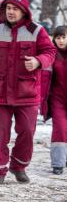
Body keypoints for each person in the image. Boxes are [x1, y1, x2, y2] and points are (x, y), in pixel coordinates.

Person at [0, 0, 56, 186]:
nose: (10, 12)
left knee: (27, 131)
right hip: (1, 92)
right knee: (0, 134)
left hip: (27, 91)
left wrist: (37, 61)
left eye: (15, 9)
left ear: (23, 11)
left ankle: (18, 166)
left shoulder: (37, 31)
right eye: (8, 8)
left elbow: (50, 52)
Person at [40, 26, 67, 175]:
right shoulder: (52, 54)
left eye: (63, 37)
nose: (61, 40)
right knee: (60, 129)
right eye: (58, 37)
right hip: (57, 99)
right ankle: (58, 164)